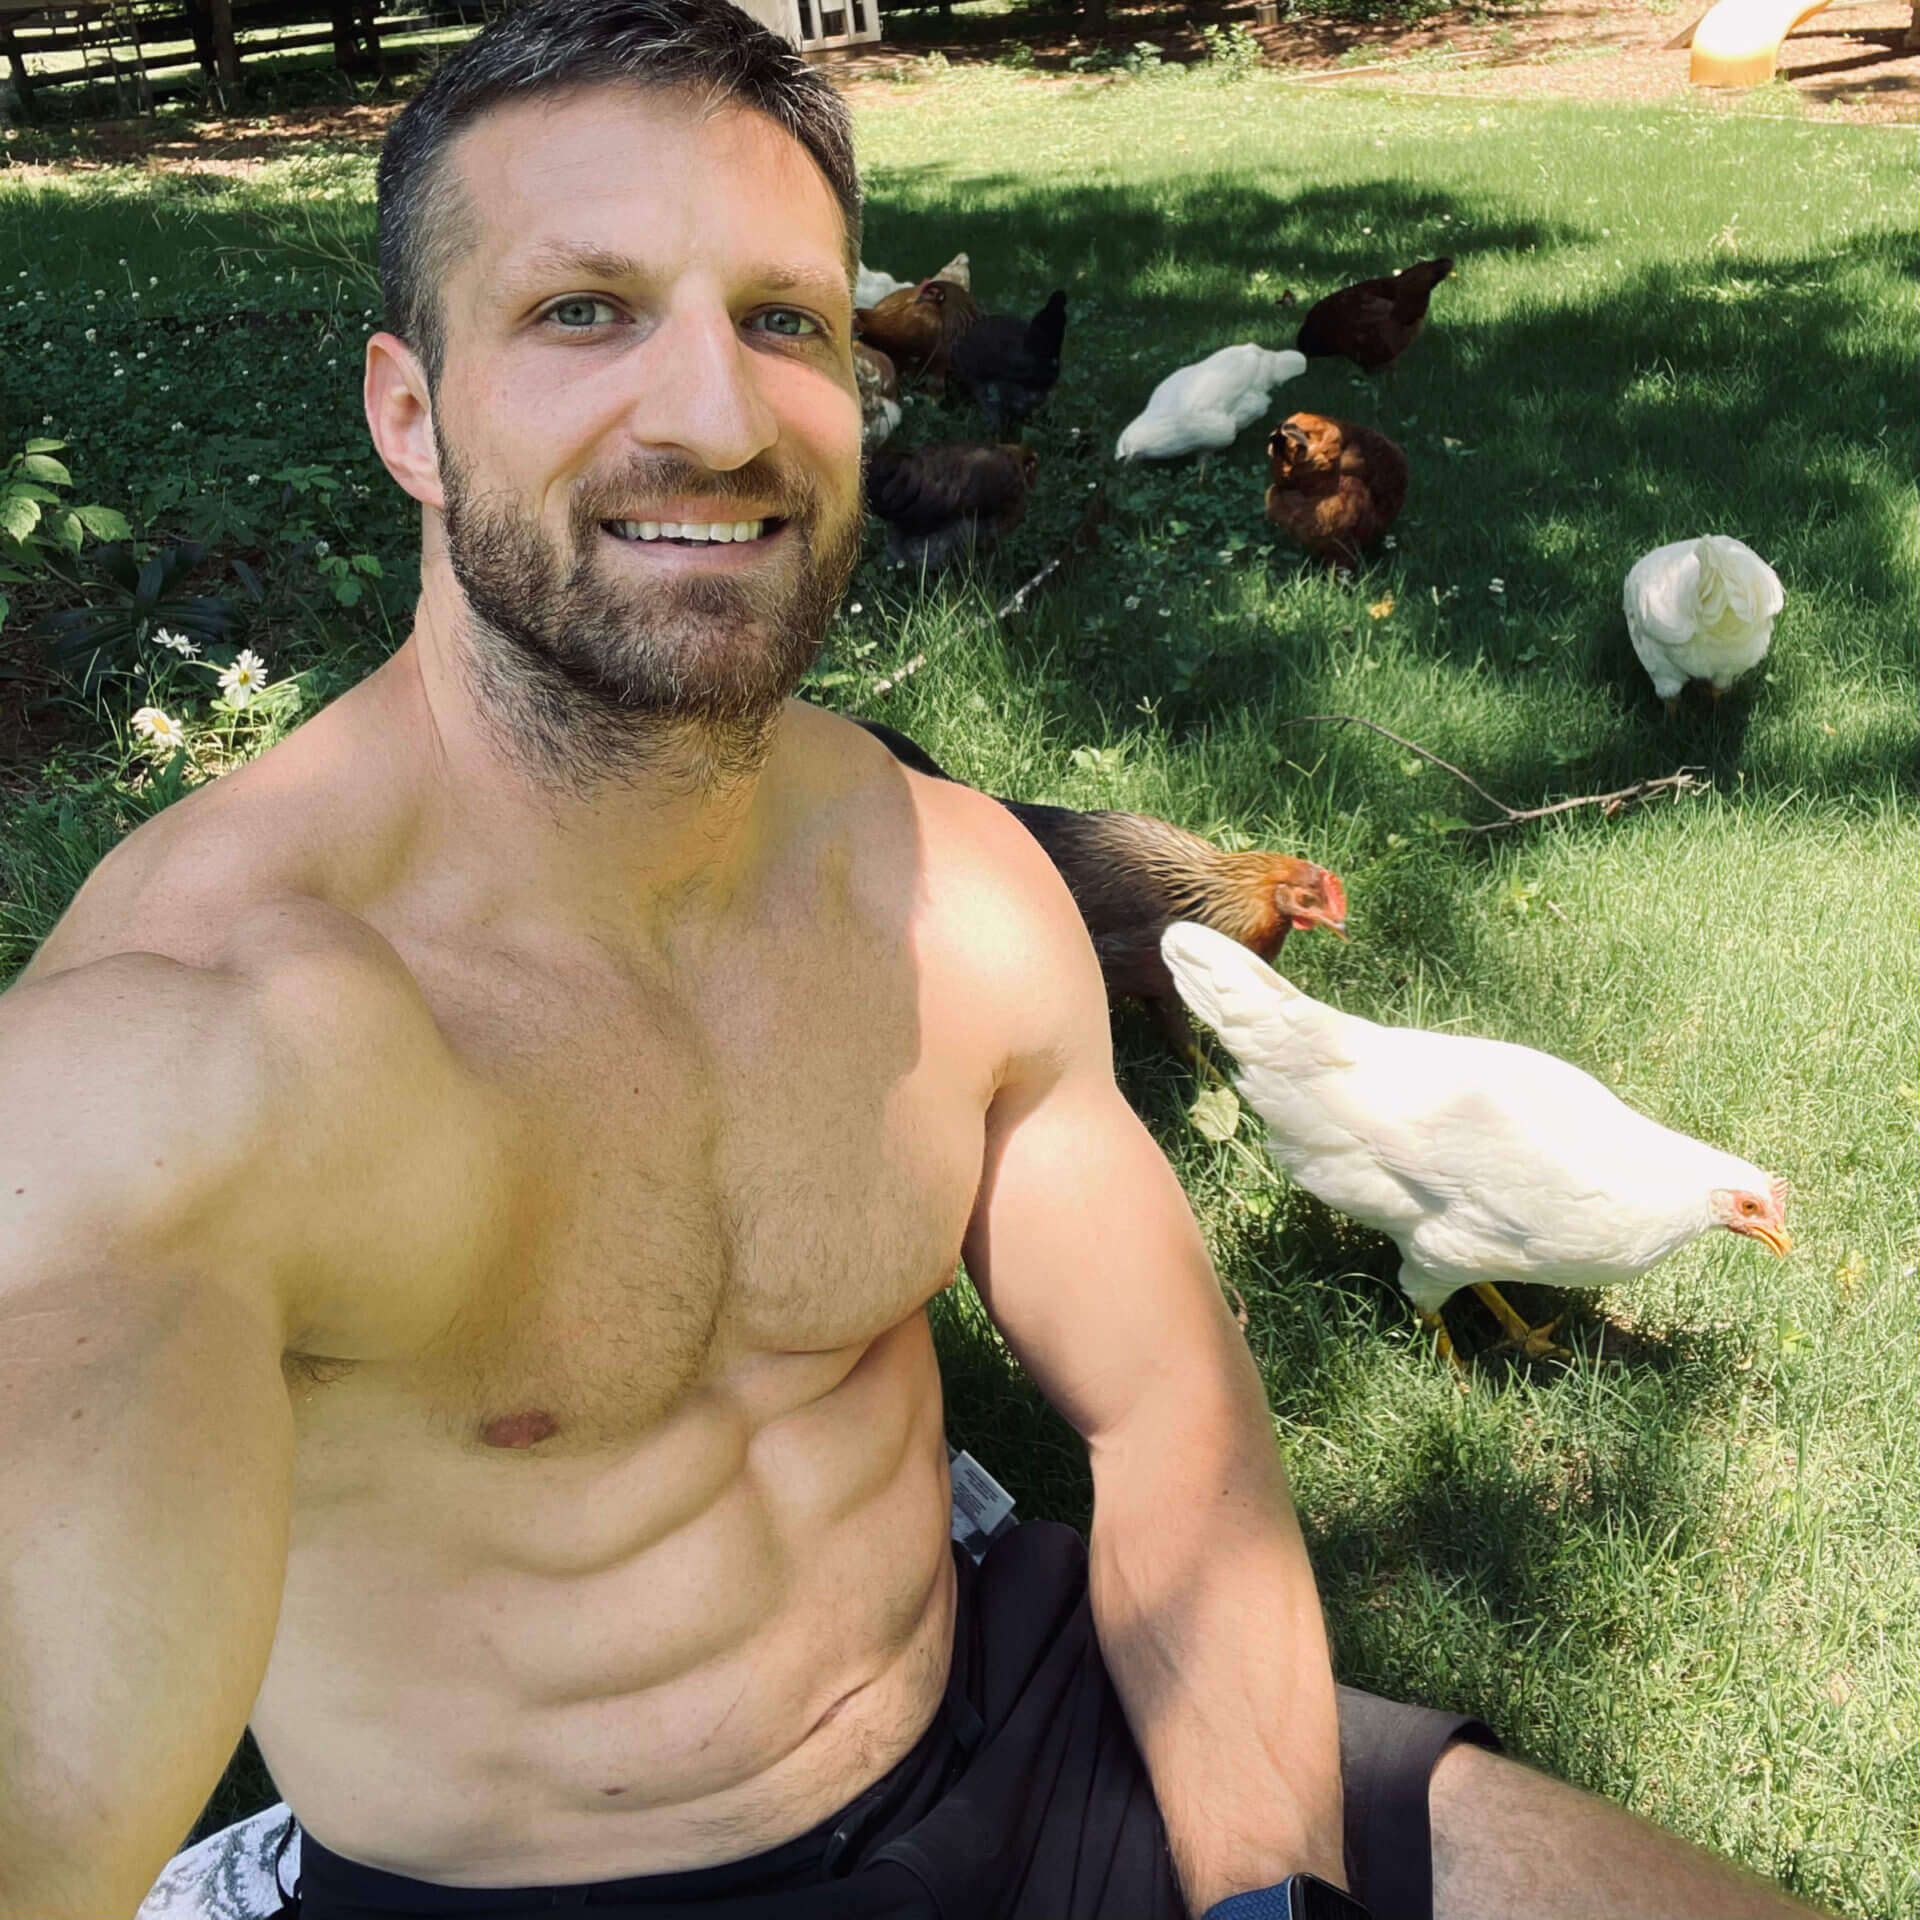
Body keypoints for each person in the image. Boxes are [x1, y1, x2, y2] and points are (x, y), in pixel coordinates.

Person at [0, 5, 1826, 1918]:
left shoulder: (949, 887)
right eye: (583, 312)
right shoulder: (196, 1046)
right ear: (407, 412)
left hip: (1023, 1728)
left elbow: (1169, 1422)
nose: (712, 415)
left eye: (782, 319)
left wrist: (1266, 1898)